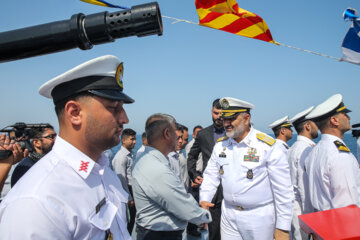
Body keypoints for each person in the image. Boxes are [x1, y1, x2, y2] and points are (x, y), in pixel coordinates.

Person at [0, 55, 134, 239]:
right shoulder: (38, 201)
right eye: (114, 108)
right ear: (75, 113)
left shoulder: (104, 172)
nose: (124, 119)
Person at [200, 97, 294, 240]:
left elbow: (283, 190)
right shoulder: (220, 146)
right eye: (225, 119)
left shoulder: (267, 146)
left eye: (231, 119)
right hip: (228, 215)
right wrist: (205, 198)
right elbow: (211, 175)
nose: (226, 124)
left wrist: (283, 227)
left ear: (247, 118)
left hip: (259, 218)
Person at [132, 113, 212, 240]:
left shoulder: (146, 159)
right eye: (176, 133)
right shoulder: (156, 167)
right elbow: (182, 206)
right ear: (167, 134)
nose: (179, 139)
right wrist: (205, 213)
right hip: (160, 235)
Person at [304, 93, 360, 211]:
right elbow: (348, 204)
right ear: (334, 120)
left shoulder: (314, 152)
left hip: (323, 221)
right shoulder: (340, 155)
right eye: (345, 114)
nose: (349, 118)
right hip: (342, 225)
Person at [187, 99, 224, 240]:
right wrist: (194, 174)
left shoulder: (234, 133)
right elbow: (191, 157)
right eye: (216, 113)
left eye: (222, 114)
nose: (218, 117)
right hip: (212, 191)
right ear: (211, 111)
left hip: (232, 190)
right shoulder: (203, 134)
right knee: (214, 233)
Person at [287, 106, 318, 240]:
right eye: (315, 123)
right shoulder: (306, 150)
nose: (318, 126)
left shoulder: (292, 148)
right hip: (303, 210)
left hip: (293, 208)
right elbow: (304, 188)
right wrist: (311, 219)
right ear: (307, 126)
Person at [112, 128, 137, 234]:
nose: (134, 142)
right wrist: (129, 197)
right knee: (128, 221)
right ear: (123, 140)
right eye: (132, 139)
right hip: (127, 191)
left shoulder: (130, 155)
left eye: (135, 139)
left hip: (132, 189)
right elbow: (121, 179)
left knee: (132, 220)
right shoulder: (121, 157)